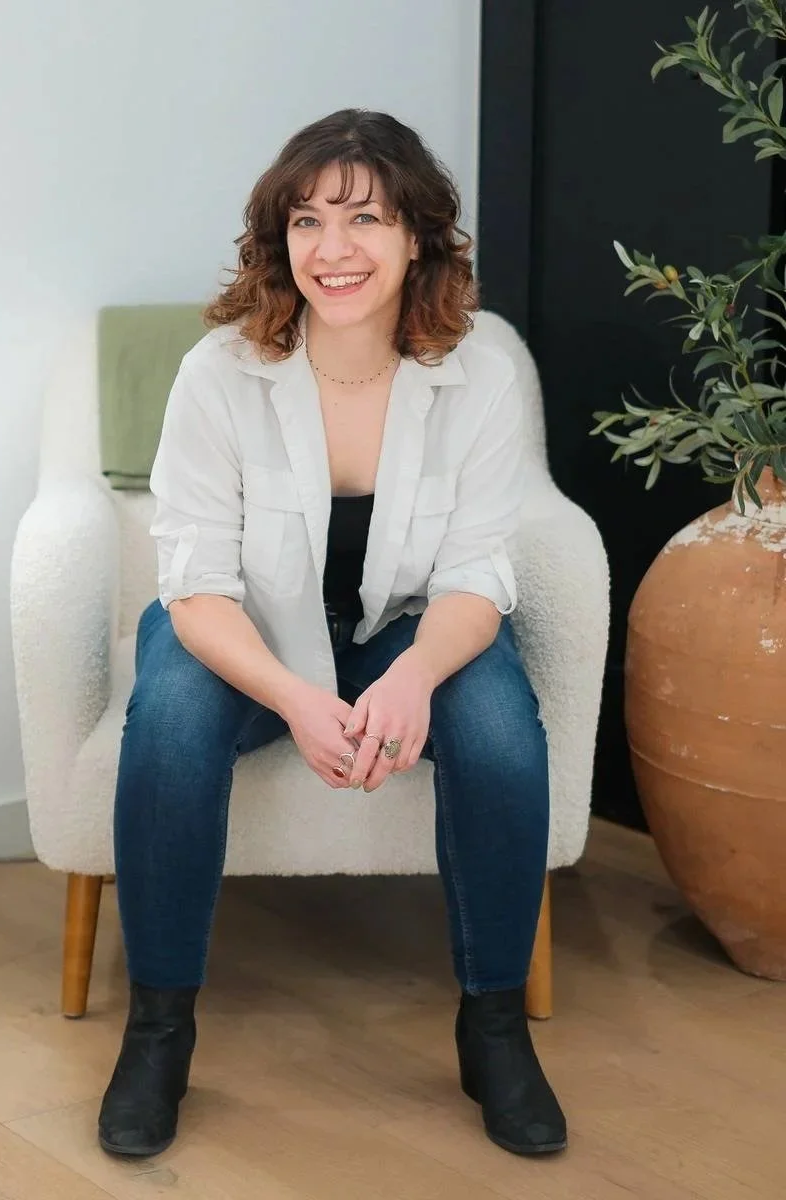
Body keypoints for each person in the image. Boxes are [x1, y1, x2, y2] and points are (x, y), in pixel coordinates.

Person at [97, 108, 566, 1160]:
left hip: (415, 631)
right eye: (307, 221)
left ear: (417, 237)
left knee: (500, 736)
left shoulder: (480, 370)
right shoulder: (221, 371)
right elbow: (197, 584)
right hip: (245, 637)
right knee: (167, 719)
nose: (333, 249)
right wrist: (296, 698)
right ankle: (157, 1032)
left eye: (363, 219)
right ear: (280, 239)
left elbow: (480, 571)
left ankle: (494, 1029)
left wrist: (412, 678)